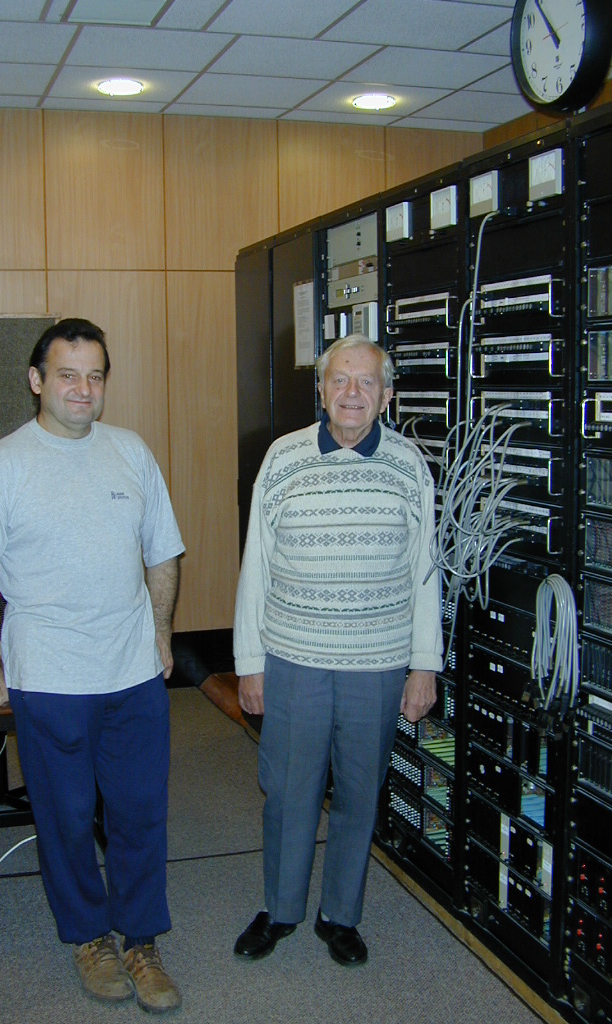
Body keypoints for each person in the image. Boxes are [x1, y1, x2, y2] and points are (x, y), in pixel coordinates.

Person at [0, 318, 185, 1012]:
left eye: (95, 376)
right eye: (68, 375)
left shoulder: (131, 452)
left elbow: (163, 552)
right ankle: (89, 937)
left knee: (140, 814)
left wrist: (162, 635)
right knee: (68, 819)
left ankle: (141, 940)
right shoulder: (3, 464)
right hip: (49, 680)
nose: (83, 389)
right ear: (36, 380)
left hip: (133, 676)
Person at [233, 333, 442, 967]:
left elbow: (425, 572)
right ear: (322, 390)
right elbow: (255, 566)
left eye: (367, 381)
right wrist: (249, 663)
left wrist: (424, 665)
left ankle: (340, 915)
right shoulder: (283, 458)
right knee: (288, 789)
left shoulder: (409, 465)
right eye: (340, 380)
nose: (353, 393)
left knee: (360, 791)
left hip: (377, 665)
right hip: (294, 658)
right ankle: (281, 909)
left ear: (386, 394)